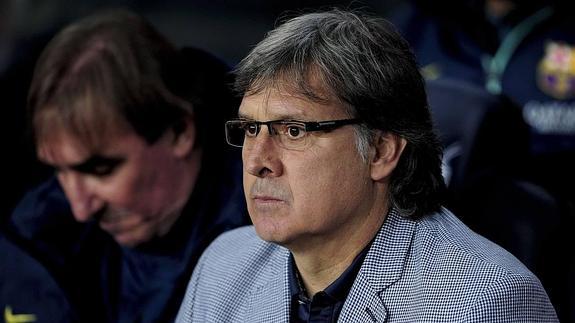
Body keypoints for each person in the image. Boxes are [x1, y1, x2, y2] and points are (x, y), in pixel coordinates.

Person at [176, 9, 558, 322]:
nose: (258, 161)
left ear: (380, 151)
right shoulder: (223, 266)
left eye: (293, 131)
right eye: (250, 129)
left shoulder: (486, 302)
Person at [3, 9, 249, 323]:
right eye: (60, 171)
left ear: (180, 132)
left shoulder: (281, 233)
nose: (81, 208)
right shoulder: (37, 240)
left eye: (101, 170)